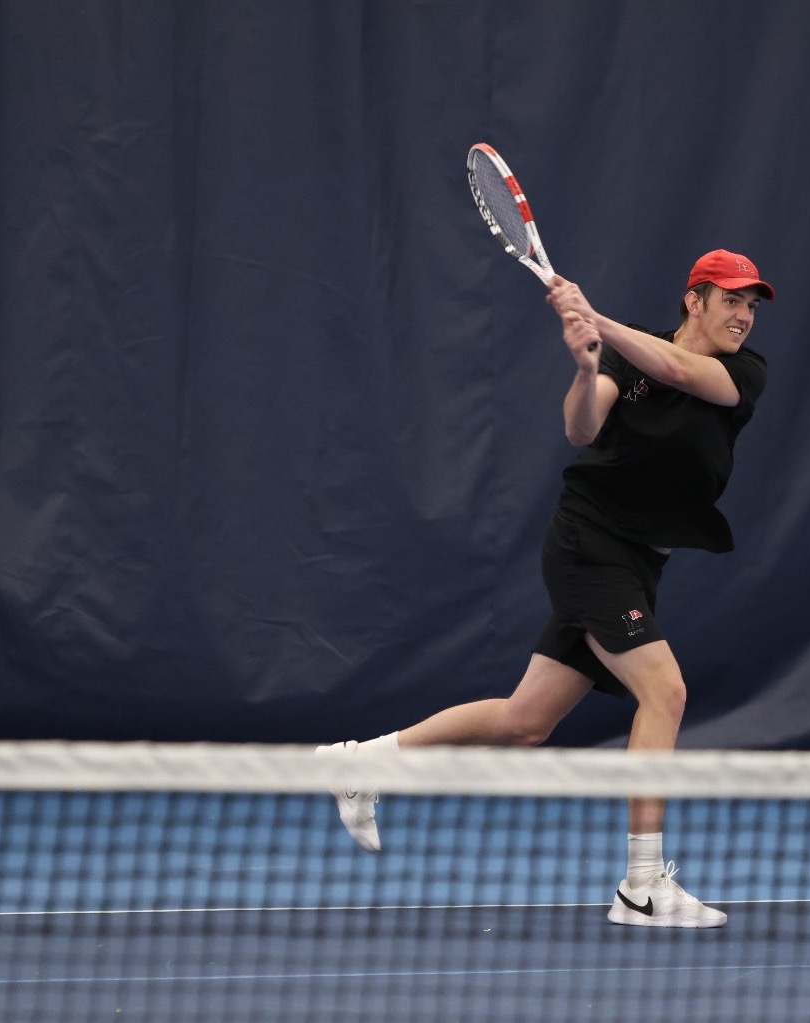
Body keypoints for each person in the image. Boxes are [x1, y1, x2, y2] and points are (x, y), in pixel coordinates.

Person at [318, 249, 773, 929]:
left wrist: (597, 320)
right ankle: (642, 885)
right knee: (665, 691)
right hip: (591, 545)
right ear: (694, 300)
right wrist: (587, 369)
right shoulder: (623, 360)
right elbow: (580, 428)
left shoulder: (744, 371)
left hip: (639, 562)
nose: (743, 316)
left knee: (524, 720)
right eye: (730, 300)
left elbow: (678, 370)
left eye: (750, 305)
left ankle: (362, 763)